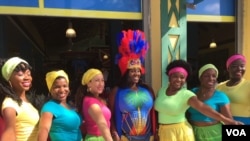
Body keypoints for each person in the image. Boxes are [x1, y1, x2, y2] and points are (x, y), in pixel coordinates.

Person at [154, 59, 242, 141]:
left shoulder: (187, 94)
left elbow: (203, 108)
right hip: (168, 131)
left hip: (182, 132)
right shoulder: (162, 90)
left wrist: (229, 121)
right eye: (175, 76)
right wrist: (156, 130)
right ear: (169, 77)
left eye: (182, 77)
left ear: (185, 80)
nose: (178, 80)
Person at [108, 29, 157, 141]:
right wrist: (114, 133)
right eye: (132, 71)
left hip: (149, 137)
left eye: (138, 70)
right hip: (126, 138)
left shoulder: (147, 90)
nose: (136, 73)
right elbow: (111, 115)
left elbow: (154, 114)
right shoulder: (117, 91)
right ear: (126, 73)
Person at [0, 57, 44, 141]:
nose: (27, 77)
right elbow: (9, 134)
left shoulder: (27, 101)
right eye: (20, 74)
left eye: (28, 73)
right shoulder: (10, 104)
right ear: (9, 79)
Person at [187, 64, 233, 141]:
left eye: (214, 76)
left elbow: (229, 120)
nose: (211, 78)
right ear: (200, 77)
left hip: (214, 133)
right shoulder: (191, 93)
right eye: (206, 76)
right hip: (193, 132)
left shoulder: (221, 96)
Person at [37, 70, 82, 141]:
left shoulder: (70, 106)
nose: (62, 90)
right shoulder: (49, 107)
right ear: (50, 89)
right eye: (57, 87)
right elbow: (43, 131)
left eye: (65, 86)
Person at [75, 68, 113, 141]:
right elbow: (102, 124)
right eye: (97, 80)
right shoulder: (90, 102)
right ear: (89, 83)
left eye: (102, 80)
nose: (101, 84)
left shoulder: (98, 100)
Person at [216, 54, 250, 124]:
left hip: (243, 122)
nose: (239, 69)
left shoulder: (248, 85)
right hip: (223, 121)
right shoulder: (220, 86)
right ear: (228, 69)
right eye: (234, 66)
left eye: (242, 66)